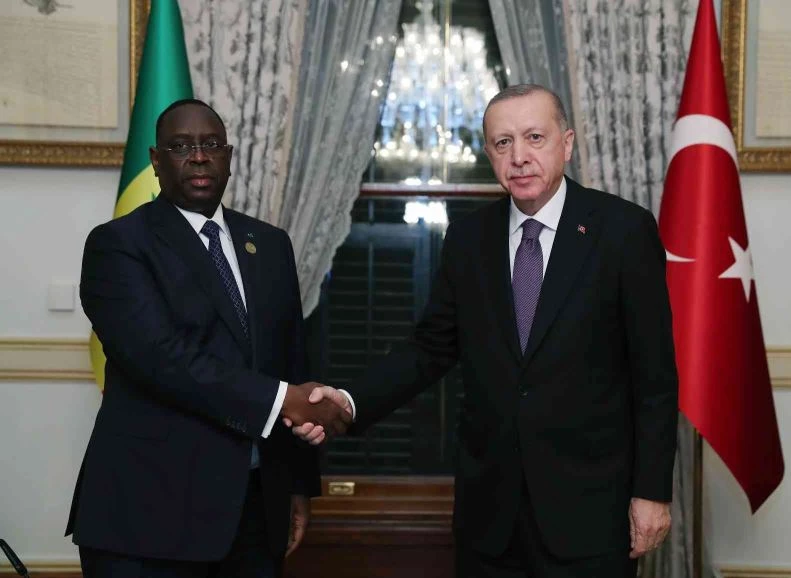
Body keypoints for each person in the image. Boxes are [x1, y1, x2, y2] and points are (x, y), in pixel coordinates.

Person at [295, 84, 678, 577]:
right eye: (502, 143)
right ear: (489, 154)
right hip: (490, 520)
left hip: (589, 516)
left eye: (534, 137)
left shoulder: (623, 231)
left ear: (566, 144)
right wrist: (350, 402)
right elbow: (429, 349)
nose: (519, 157)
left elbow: (654, 378)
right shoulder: (469, 238)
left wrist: (651, 492)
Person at [66, 98, 351, 578]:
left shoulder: (270, 244)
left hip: (255, 511)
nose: (199, 156)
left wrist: (298, 484)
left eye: (212, 144)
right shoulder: (118, 245)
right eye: (181, 146)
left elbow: (291, 361)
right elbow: (162, 358)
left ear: (229, 156)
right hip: (149, 517)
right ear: (156, 161)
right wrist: (286, 400)